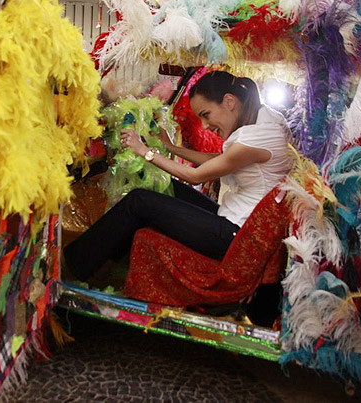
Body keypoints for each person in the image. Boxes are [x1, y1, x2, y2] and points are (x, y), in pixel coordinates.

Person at [64, 71, 293, 282]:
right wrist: (170, 147)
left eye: (206, 115)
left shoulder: (257, 138)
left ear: (229, 102)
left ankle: (73, 266)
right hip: (236, 221)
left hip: (237, 238)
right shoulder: (266, 122)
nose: (204, 126)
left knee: (139, 201)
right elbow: (217, 159)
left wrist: (145, 151)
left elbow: (195, 176)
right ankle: (106, 262)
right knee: (165, 187)